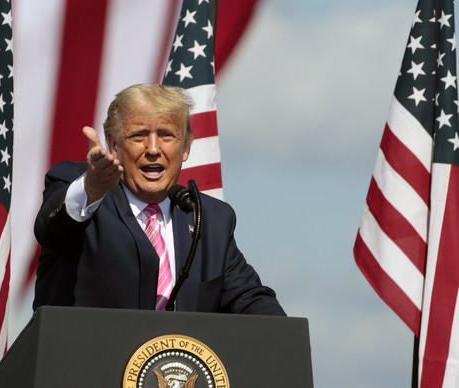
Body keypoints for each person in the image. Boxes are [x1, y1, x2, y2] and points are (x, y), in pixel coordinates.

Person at [33, 83, 285, 316]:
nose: (153, 149)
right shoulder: (81, 189)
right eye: (138, 135)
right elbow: (51, 230)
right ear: (113, 144)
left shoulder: (208, 219)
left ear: (186, 147)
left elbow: (248, 297)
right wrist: (92, 187)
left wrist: (286, 338)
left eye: (166, 135)